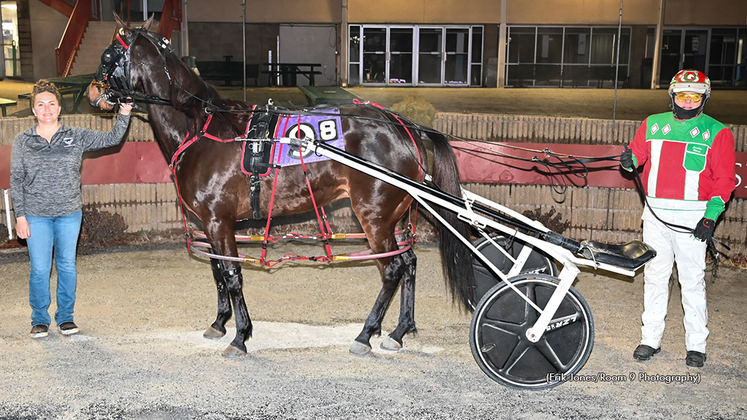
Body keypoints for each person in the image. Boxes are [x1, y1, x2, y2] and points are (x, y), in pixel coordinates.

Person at [620, 69, 736, 368]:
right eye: (682, 95)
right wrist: (628, 160)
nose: (687, 101)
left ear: (704, 98)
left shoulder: (718, 132)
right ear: (672, 95)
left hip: (693, 220)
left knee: (692, 281)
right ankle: (650, 339)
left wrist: (710, 218)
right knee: (655, 278)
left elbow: (724, 180)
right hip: (655, 217)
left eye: (694, 96)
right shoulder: (652, 124)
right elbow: (637, 158)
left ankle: (696, 345)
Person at [9, 80, 132, 338]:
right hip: (35, 214)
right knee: (40, 268)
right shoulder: (23, 140)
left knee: (67, 266)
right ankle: (39, 319)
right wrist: (20, 217)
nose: (46, 109)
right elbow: (16, 179)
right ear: (33, 110)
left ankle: (66, 317)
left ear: (59, 109)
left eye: (51, 104)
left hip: (69, 213)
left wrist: (124, 113)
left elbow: (112, 138)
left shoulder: (75, 136)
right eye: (40, 104)